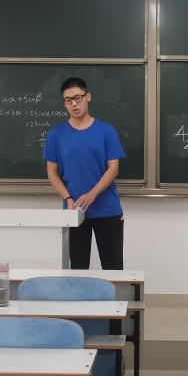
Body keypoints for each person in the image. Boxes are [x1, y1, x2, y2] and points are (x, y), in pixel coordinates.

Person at [43, 76, 126, 269]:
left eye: (77, 98)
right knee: (78, 269)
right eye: (68, 100)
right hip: (74, 211)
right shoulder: (57, 134)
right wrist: (68, 199)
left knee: (113, 268)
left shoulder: (106, 130)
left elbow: (113, 168)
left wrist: (92, 194)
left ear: (88, 97)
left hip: (107, 210)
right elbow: (52, 172)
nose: (74, 104)